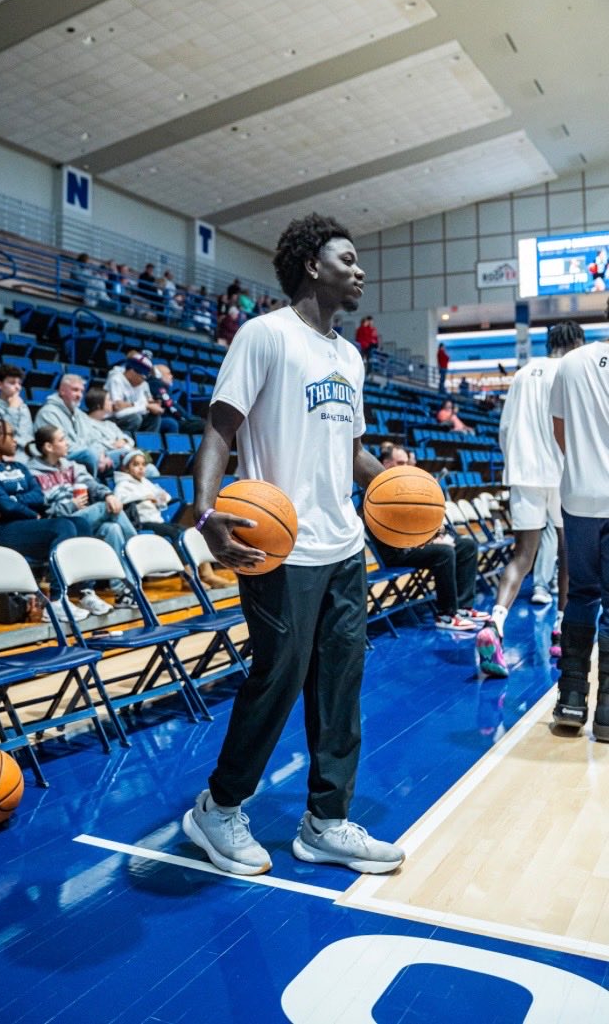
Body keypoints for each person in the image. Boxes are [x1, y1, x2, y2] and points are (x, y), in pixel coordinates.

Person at [182, 212, 405, 878]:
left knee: (342, 682)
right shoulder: (265, 336)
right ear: (312, 264)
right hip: (277, 545)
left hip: (343, 544)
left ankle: (326, 820)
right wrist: (203, 511)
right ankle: (218, 808)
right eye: (347, 257)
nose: (359, 268)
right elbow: (220, 430)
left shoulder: (351, 355)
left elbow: (354, 451)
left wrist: (400, 485)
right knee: (276, 679)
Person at [476, 321, 585, 679]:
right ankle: (561, 627)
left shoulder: (522, 374)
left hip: (523, 474)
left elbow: (504, 428)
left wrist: (516, 465)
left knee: (522, 556)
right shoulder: (572, 370)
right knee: (567, 553)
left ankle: (495, 622)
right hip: (563, 473)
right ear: (577, 342)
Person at [550, 308, 609, 737]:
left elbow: (560, 431)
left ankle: (571, 700)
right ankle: (606, 711)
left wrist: (586, 468)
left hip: (579, 497)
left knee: (582, 594)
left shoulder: (570, 363)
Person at [0, 418, 83, 623]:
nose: (16, 441)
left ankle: (86, 593)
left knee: (81, 524)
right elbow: (8, 507)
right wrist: (27, 511)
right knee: (62, 526)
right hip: (0, 533)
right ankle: (57, 600)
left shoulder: (18, 465)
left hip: (24, 525)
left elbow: (39, 496)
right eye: (10, 435)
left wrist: (14, 502)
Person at [370, 444, 486, 630]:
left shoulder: (406, 486)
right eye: (401, 463)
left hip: (414, 544)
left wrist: (435, 534)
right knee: (444, 552)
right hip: (396, 551)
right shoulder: (378, 492)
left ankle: (463, 607)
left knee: (467, 545)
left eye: (407, 462)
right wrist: (423, 541)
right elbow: (392, 532)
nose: (407, 466)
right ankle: (446, 616)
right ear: (386, 464)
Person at [28, 425, 136, 612]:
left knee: (113, 529)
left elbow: (92, 485)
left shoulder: (72, 466)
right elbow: (43, 509)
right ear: (48, 447)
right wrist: (72, 505)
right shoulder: (32, 472)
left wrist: (108, 494)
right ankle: (138, 549)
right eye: (61, 439)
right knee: (105, 508)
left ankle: (123, 592)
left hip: (81, 521)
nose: (67, 443)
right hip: (56, 525)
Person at [113, 450, 232, 589]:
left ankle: (206, 573)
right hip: (141, 523)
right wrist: (145, 497)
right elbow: (120, 501)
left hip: (157, 521)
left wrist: (161, 497)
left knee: (191, 532)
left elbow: (165, 497)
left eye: (143, 464)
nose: (141, 468)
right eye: (136, 465)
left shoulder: (145, 482)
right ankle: (188, 579)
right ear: (126, 468)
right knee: (176, 534)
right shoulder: (122, 484)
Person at [34, 374, 111, 476]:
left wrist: (101, 454)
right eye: (75, 390)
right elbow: (60, 445)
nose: (79, 395)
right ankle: (95, 487)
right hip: (61, 456)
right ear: (62, 391)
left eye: (81, 391)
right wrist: (96, 454)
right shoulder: (48, 413)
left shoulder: (80, 414)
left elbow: (94, 439)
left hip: (88, 454)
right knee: (89, 455)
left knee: (120, 455)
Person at [0, 363, 34, 462]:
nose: (18, 387)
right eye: (12, 383)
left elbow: (28, 436)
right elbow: (3, 436)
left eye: (19, 383)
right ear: (0, 385)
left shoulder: (22, 407)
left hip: (24, 455)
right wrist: (12, 409)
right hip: (3, 455)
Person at [105, 353, 163, 434]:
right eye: (142, 377)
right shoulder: (116, 379)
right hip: (110, 417)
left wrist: (151, 406)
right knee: (135, 418)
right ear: (132, 371)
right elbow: (117, 406)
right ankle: (123, 443)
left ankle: (145, 445)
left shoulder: (141, 384)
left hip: (130, 414)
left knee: (154, 418)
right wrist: (145, 405)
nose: (143, 380)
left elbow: (145, 404)